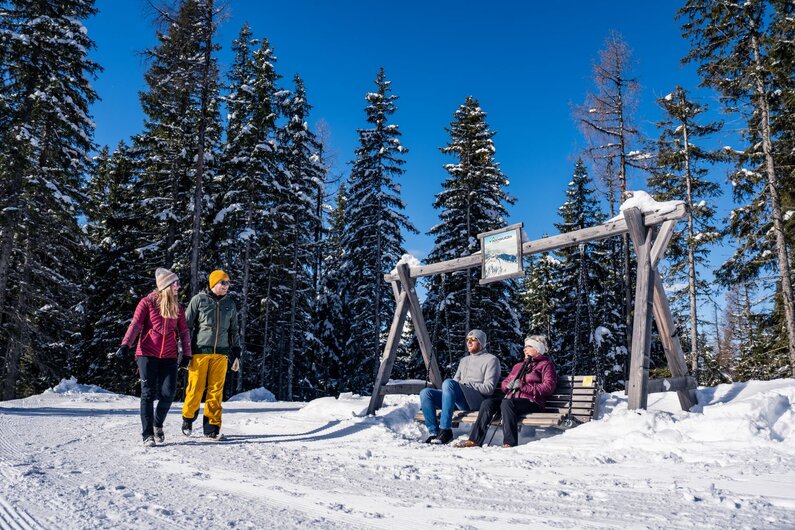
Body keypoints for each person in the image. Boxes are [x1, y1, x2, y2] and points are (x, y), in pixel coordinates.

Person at [111, 268, 192, 447]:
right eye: (175, 283)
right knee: (147, 394)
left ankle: (158, 423)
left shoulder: (177, 307)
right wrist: (126, 345)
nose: (178, 286)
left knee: (168, 393)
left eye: (178, 283)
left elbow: (184, 332)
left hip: (169, 355)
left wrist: (186, 353)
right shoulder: (147, 303)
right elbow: (136, 324)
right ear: (165, 286)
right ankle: (147, 434)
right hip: (147, 354)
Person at [458, 335, 557, 448]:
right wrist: (508, 385)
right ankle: (475, 440)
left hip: (532, 401)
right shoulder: (519, 366)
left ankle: (509, 442)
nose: (524, 349)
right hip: (512, 400)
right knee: (488, 403)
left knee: (507, 403)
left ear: (538, 348)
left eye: (528, 346)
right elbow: (505, 384)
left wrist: (523, 386)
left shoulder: (546, 365)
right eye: (524, 347)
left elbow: (548, 387)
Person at [181, 269, 241, 440]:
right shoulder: (199, 300)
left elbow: (234, 330)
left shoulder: (229, 303)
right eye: (223, 283)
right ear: (213, 283)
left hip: (221, 354)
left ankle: (212, 428)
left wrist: (236, 353)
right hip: (199, 352)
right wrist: (184, 351)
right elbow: (186, 327)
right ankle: (188, 418)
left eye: (228, 283)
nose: (226, 286)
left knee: (216, 391)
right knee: (196, 388)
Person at [419, 329, 500, 445]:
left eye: (473, 339)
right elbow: (454, 382)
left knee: (448, 383)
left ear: (481, 342)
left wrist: (466, 384)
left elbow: (489, 388)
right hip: (458, 398)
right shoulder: (464, 361)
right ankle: (434, 433)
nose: (469, 342)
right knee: (426, 393)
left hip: (475, 401)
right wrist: (456, 387)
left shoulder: (491, 360)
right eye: (467, 340)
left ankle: (445, 430)